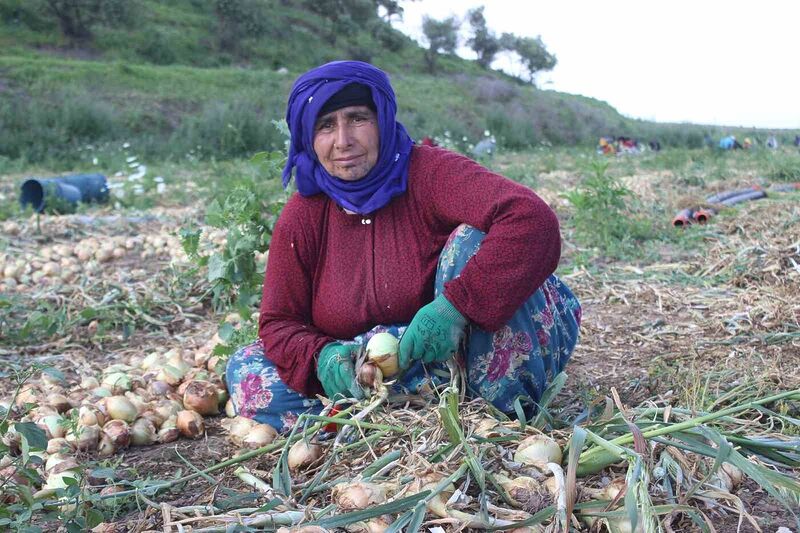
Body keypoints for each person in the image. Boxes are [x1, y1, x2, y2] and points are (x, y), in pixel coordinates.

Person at [224, 61, 582, 432]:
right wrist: (322, 358)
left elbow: (531, 219)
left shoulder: (430, 173)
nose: (343, 140)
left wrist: (454, 308)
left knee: (472, 242)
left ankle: (495, 406)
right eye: (325, 125)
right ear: (308, 138)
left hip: (471, 341)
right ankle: (413, 406)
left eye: (357, 118)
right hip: (383, 363)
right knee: (248, 373)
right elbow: (279, 322)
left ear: (382, 119)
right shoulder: (304, 216)